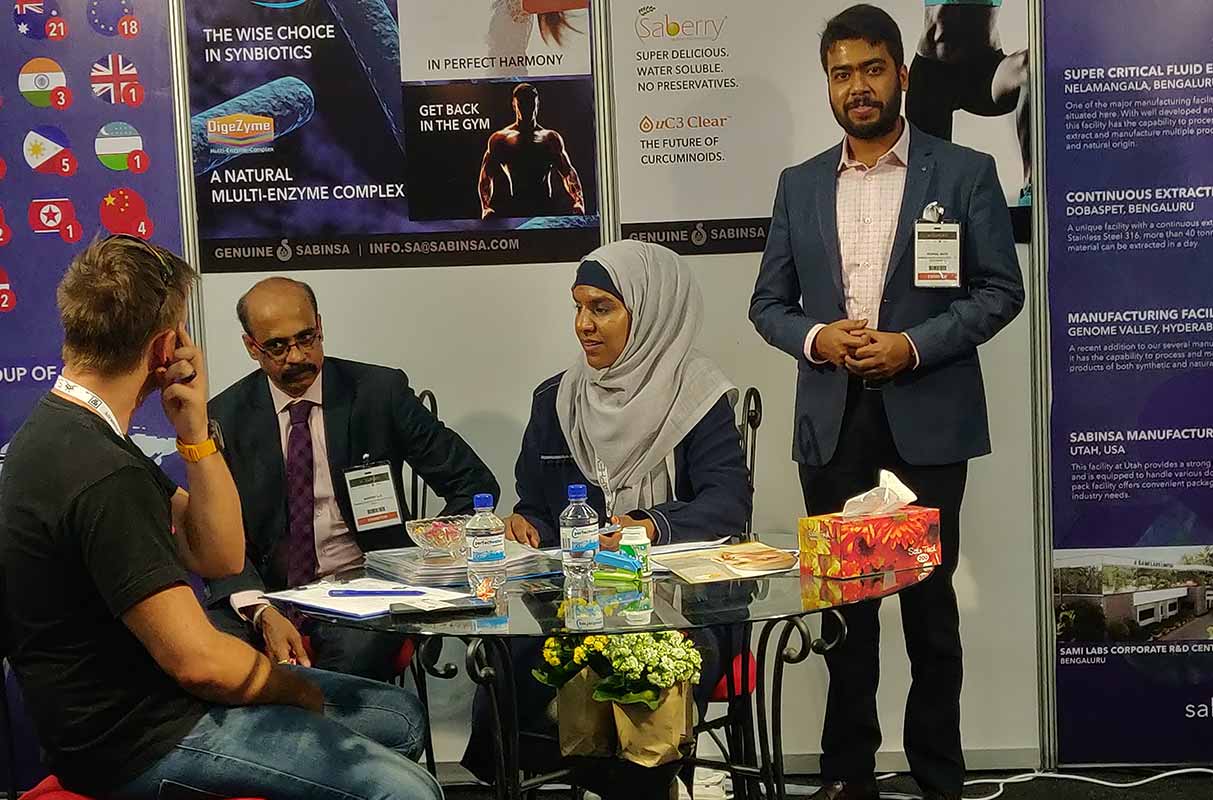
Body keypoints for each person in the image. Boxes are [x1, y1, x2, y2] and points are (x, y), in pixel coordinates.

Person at [0, 236, 440, 800]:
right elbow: (200, 662)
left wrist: (194, 433)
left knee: (398, 717)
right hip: (139, 741)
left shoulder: (71, 431)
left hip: (150, 706)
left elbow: (218, 554)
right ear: (166, 346)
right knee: (404, 789)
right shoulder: (102, 472)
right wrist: (299, 695)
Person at [748, 6, 1024, 800]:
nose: (858, 87)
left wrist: (913, 345)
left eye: (872, 69)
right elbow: (768, 305)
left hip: (925, 419)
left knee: (930, 619)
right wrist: (816, 338)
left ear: (901, 74)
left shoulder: (962, 172)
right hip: (835, 428)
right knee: (846, 618)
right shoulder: (800, 185)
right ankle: (847, 779)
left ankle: (939, 779)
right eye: (842, 74)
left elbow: (999, 291)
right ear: (828, 86)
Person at [462, 239, 750, 796]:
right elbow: (535, 500)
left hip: (683, 597)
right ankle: (557, 777)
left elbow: (728, 503)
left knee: (649, 661)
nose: (583, 325)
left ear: (651, 311)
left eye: (601, 308)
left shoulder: (697, 394)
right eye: (578, 307)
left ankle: (635, 783)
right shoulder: (558, 398)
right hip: (578, 598)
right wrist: (526, 521)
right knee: (510, 658)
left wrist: (651, 524)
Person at [206, 276, 500, 679]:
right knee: (211, 655)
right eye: (277, 346)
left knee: (351, 660)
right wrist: (260, 610)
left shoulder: (378, 393)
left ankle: (320, 720)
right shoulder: (225, 417)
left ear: (320, 326)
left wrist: (423, 559)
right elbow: (218, 535)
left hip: (365, 589)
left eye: (306, 338)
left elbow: (474, 485)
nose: (297, 356)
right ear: (251, 347)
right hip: (269, 594)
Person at [906, 0, 1031, 205]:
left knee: (1030, 65)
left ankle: (1030, 187)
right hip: (932, 76)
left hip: (985, 73)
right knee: (927, 188)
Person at [478, 81, 586, 219]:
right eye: (522, 104)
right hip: (517, 210)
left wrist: (579, 202)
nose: (527, 109)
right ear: (514, 105)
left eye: (530, 104)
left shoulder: (550, 138)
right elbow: (486, 177)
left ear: (537, 104)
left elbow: (568, 173)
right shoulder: (500, 139)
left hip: (545, 210)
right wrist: (485, 208)